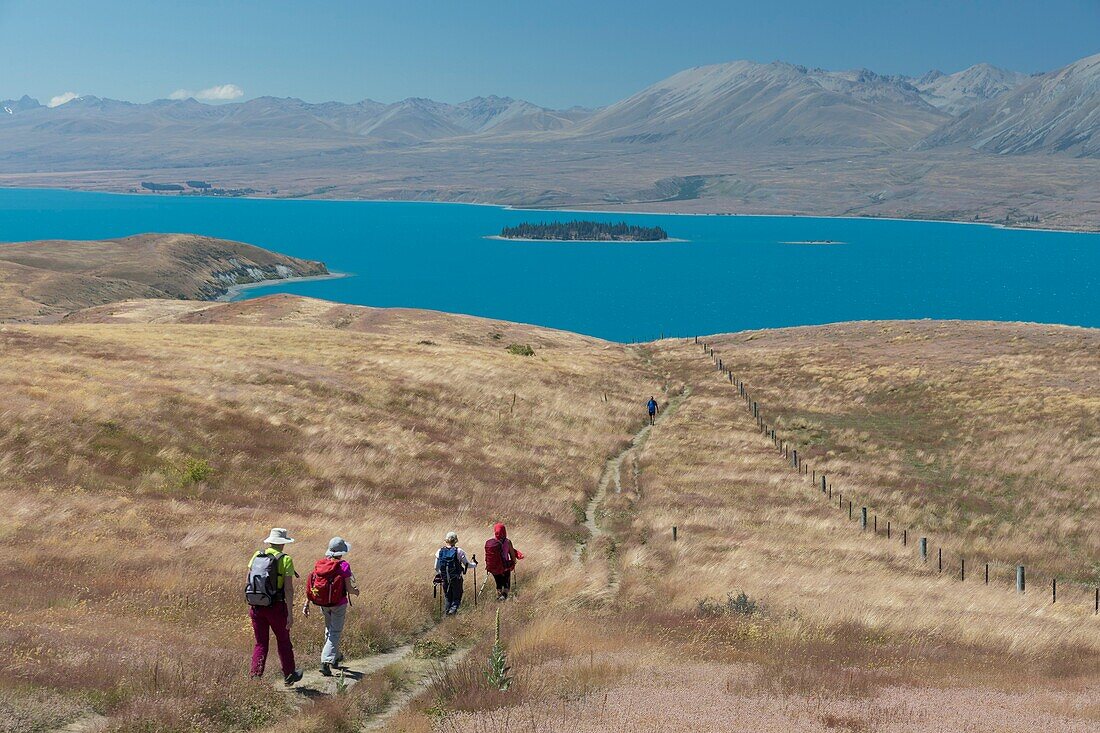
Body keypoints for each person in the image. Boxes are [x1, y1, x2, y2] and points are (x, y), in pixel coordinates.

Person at [245, 527, 303, 686]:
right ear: (283, 544)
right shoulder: (286, 559)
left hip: (256, 606)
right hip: (276, 607)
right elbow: (288, 589)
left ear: (270, 541)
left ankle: (255, 676)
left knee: (261, 643)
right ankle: (289, 675)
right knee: (283, 641)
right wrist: (290, 613)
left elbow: (248, 580)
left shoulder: (257, 555)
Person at [302, 536, 360, 676]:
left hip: (323, 603)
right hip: (338, 604)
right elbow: (349, 588)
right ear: (341, 552)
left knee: (329, 630)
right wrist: (355, 592)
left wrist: (307, 603)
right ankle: (325, 662)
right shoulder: (344, 566)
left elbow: (313, 585)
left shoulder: (321, 564)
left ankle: (334, 658)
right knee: (335, 632)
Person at [484, 523, 523, 601]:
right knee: (506, 583)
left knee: (498, 583)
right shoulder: (507, 542)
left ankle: (499, 598)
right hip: (504, 567)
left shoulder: (492, 543)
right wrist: (513, 563)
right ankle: (504, 597)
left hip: (494, 567)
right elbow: (512, 554)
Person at [434, 531, 470, 615]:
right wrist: (474, 564)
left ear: (446, 540)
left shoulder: (440, 551)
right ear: (455, 541)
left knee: (448, 597)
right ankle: (452, 611)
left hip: (445, 579)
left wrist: (443, 574)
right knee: (457, 597)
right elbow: (467, 564)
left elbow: (435, 567)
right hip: (456, 578)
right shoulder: (459, 551)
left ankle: (447, 616)